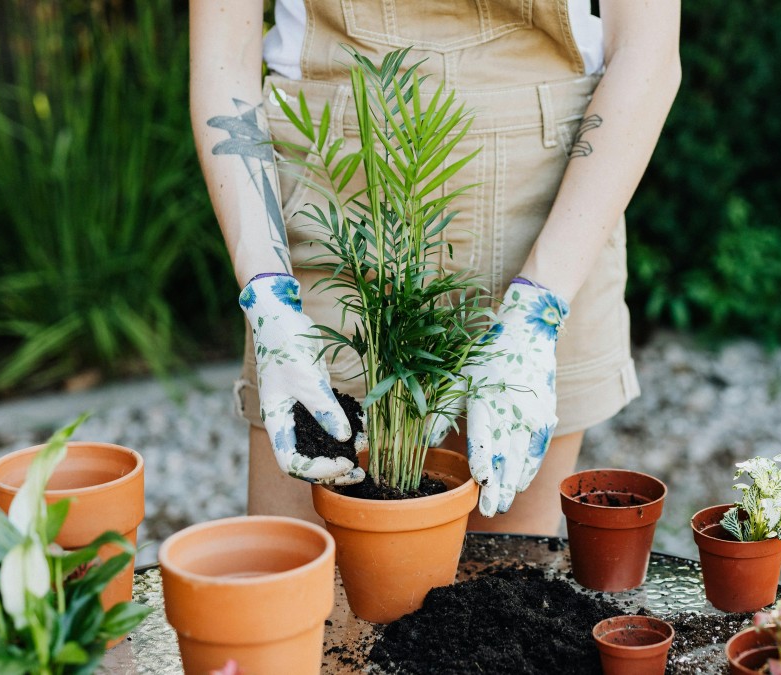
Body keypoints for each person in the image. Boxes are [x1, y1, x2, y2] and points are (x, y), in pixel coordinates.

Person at [190, 0, 680, 535]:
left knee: (505, 595)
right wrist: (267, 294)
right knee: (301, 590)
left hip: (546, 210)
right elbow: (224, 54)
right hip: (334, 199)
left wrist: (538, 306)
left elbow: (647, 50)